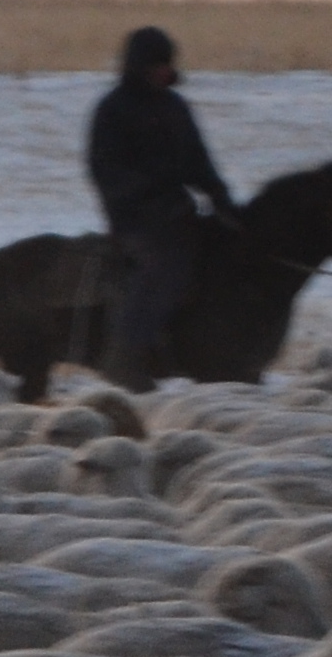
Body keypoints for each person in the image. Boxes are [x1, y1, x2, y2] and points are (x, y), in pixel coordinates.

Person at [82, 23, 229, 385]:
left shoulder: (175, 107)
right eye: (157, 63)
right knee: (166, 268)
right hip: (136, 222)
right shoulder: (113, 110)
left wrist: (220, 197)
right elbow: (106, 171)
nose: (165, 70)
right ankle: (127, 357)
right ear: (139, 65)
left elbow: (198, 161)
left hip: (178, 213)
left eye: (167, 63)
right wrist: (150, 194)